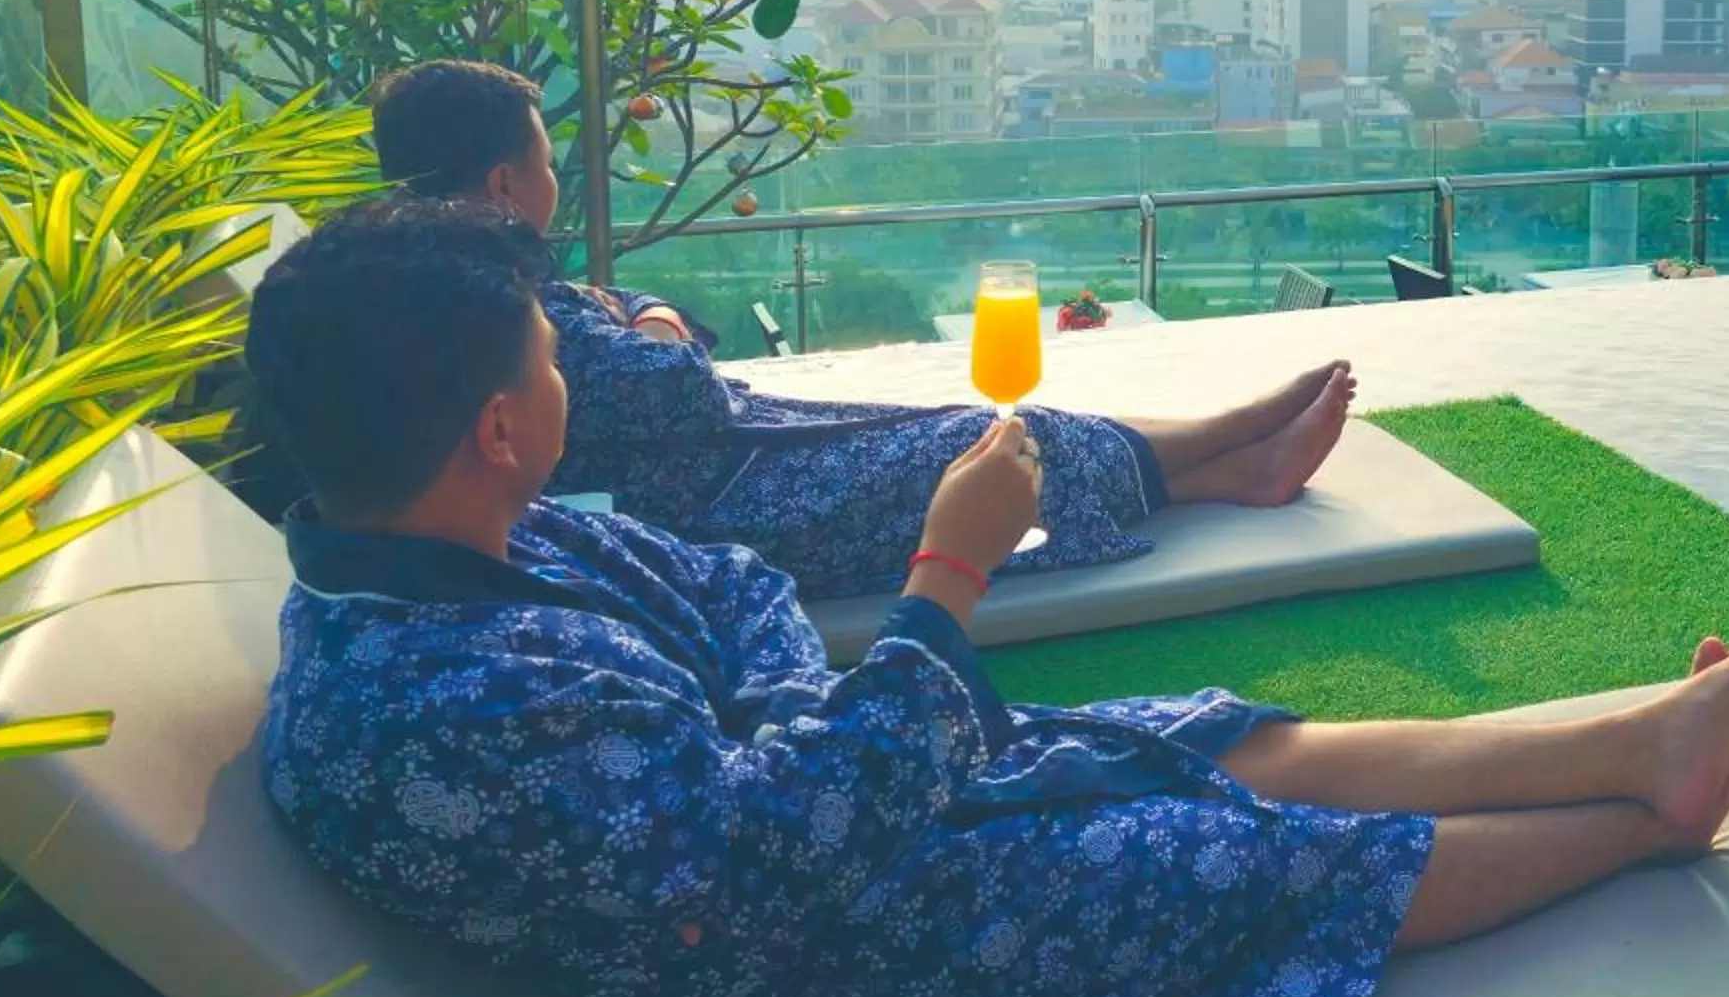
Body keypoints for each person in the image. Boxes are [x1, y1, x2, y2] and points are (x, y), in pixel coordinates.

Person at [249, 195, 1729, 997]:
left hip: (836, 826)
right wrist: (950, 573)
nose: (560, 365)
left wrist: (802, 721)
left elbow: (734, 592)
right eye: (545, 351)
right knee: (1212, 852)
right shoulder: (441, 708)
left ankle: (1640, 740)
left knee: (1190, 734)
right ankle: (1642, 823)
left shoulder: (480, 557)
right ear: (502, 424)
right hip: (821, 988)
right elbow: (773, 860)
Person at [364, 59, 1356, 599]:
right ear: (502, 183)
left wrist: (649, 318)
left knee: (976, 425)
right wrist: (656, 321)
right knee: (997, 444)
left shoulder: (438, 268)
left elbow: (637, 334)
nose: (553, 181)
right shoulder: (487, 295)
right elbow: (673, 380)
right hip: (707, 513)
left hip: (713, 472)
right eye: (542, 162)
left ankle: (1233, 463)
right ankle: (1238, 443)